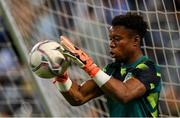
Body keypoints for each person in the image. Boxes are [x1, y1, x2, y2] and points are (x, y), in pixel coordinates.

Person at [54, 13, 162, 117]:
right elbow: (79, 97)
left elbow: (125, 94)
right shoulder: (111, 70)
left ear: (135, 40)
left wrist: (88, 66)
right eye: (110, 39)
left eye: (117, 39)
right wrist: (60, 75)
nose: (111, 44)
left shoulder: (149, 68)